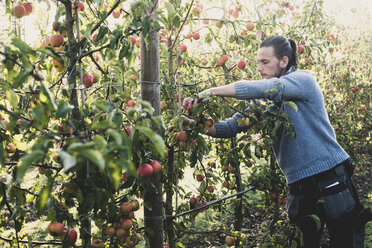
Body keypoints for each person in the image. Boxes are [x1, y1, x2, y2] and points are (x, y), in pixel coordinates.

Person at [183, 36, 371, 247]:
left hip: (331, 176)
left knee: (345, 241)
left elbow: (269, 87)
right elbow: (230, 127)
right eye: (258, 63)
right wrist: (191, 124)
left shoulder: (303, 80)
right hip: (299, 185)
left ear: (284, 61)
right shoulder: (263, 102)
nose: (259, 68)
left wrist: (209, 92)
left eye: (265, 62)